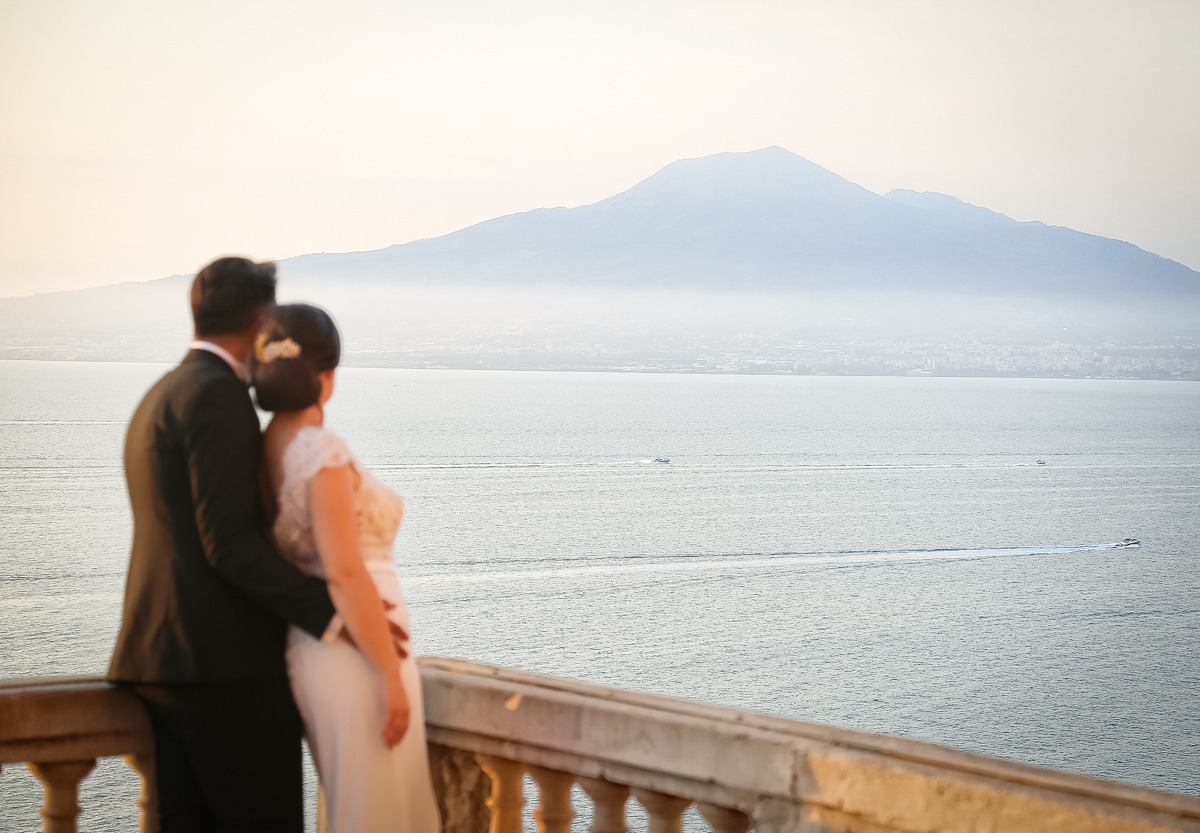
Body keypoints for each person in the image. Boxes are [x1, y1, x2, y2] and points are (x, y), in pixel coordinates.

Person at [109, 257, 346, 832]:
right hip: (221, 672)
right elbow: (228, 544)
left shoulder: (162, 393)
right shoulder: (218, 398)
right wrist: (334, 617)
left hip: (163, 659)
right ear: (261, 319)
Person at [254, 303, 440, 833]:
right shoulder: (320, 450)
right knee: (378, 812)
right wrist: (389, 678)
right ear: (327, 377)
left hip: (322, 644)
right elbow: (345, 571)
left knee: (363, 807)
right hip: (360, 653)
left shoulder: (268, 445)